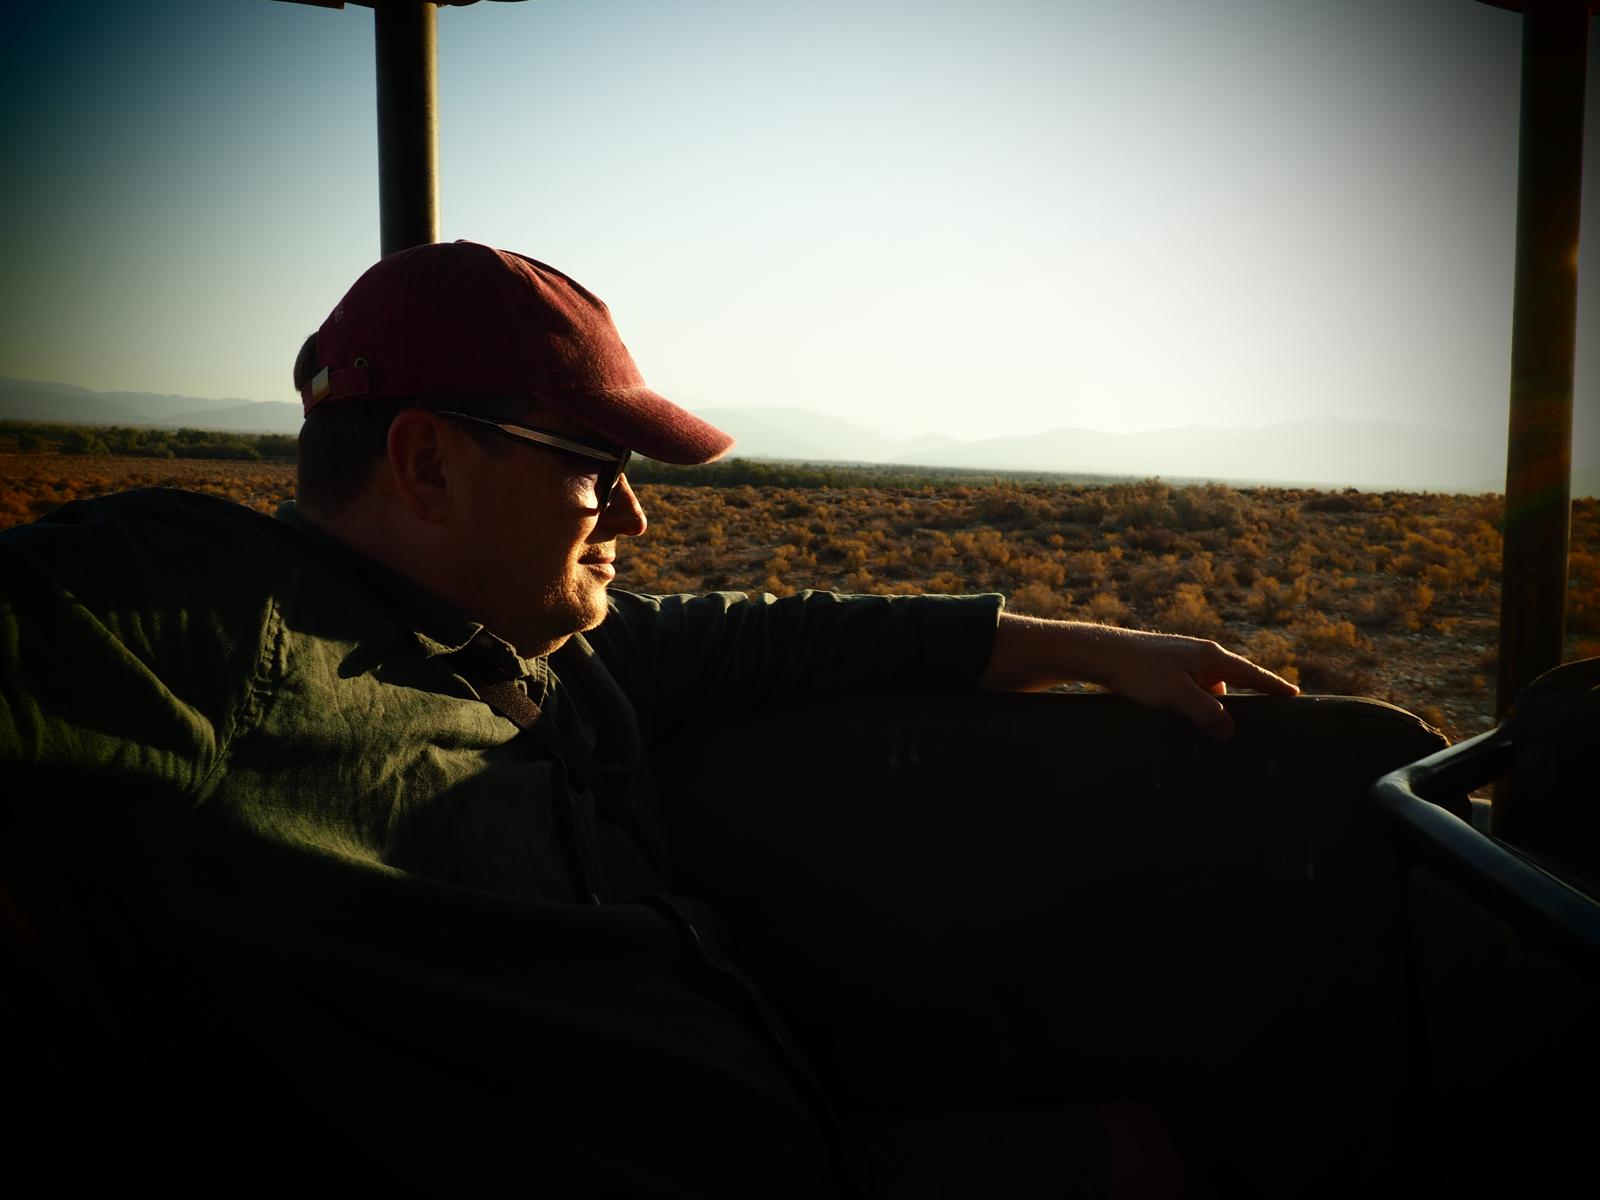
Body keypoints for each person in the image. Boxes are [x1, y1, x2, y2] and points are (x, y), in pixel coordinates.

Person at [2, 241, 1299, 1196]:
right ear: (427, 463)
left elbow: (802, 635)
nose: (630, 514)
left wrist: (1099, 648)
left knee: (1134, 1154)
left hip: (788, 1149)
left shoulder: (561, 648)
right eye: (594, 466)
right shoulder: (221, 619)